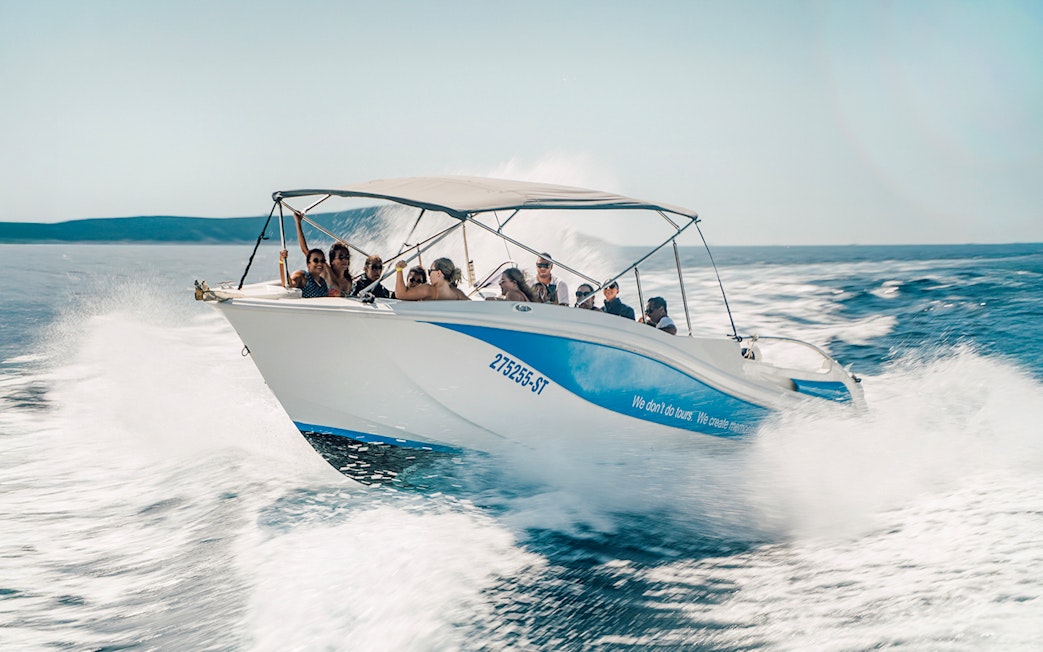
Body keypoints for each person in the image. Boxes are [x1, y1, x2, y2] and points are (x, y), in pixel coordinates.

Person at [291, 210, 345, 295]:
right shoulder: (325, 269)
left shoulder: (348, 279)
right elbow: (305, 250)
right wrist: (298, 223)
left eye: (347, 257)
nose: (345, 260)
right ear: (332, 261)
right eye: (341, 257)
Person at [393, 257, 469, 301]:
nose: (429, 275)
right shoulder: (457, 293)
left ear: (438, 273)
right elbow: (471, 305)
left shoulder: (429, 290)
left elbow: (400, 294)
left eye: (430, 271)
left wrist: (399, 269)